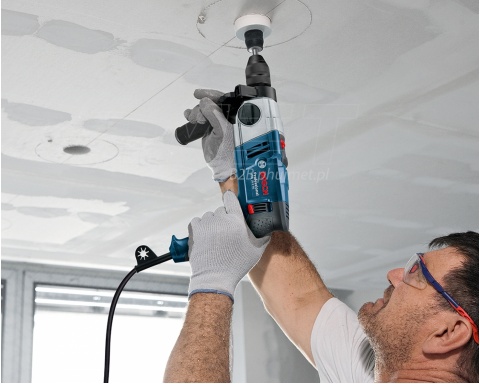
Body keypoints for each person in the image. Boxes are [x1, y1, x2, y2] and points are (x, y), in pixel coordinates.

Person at [164, 90, 479, 383]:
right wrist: (239, 173)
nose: (395, 274)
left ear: (448, 333)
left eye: (417, 274)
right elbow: (300, 299)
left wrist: (212, 284)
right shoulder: (372, 368)